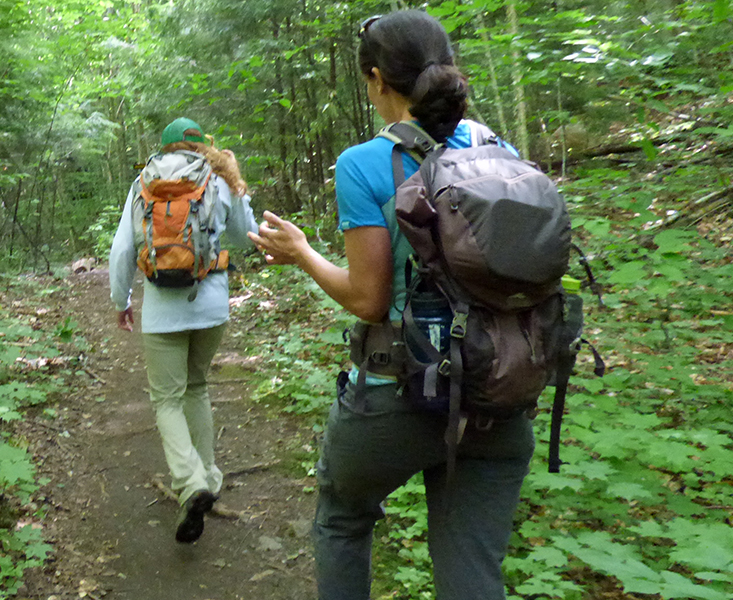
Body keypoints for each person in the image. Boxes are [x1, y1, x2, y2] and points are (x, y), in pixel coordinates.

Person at [248, 11, 533, 600]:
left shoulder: (364, 164)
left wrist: (302, 252)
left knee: (344, 520)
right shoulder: (498, 147)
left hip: (399, 396)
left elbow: (369, 299)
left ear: (378, 79)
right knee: (473, 571)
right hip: (500, 388)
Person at [109, 117, 258, 543]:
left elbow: (122, 250)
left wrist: (121, 302)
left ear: (165, 146)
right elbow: (245, 237)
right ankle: (207, 478)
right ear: (200, 146)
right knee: (197, 386)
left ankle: (190, 482)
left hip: (161, 309)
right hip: (210, 306)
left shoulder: (144, 182)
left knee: (166, 399)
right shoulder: (217, 177)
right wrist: (236, 182)